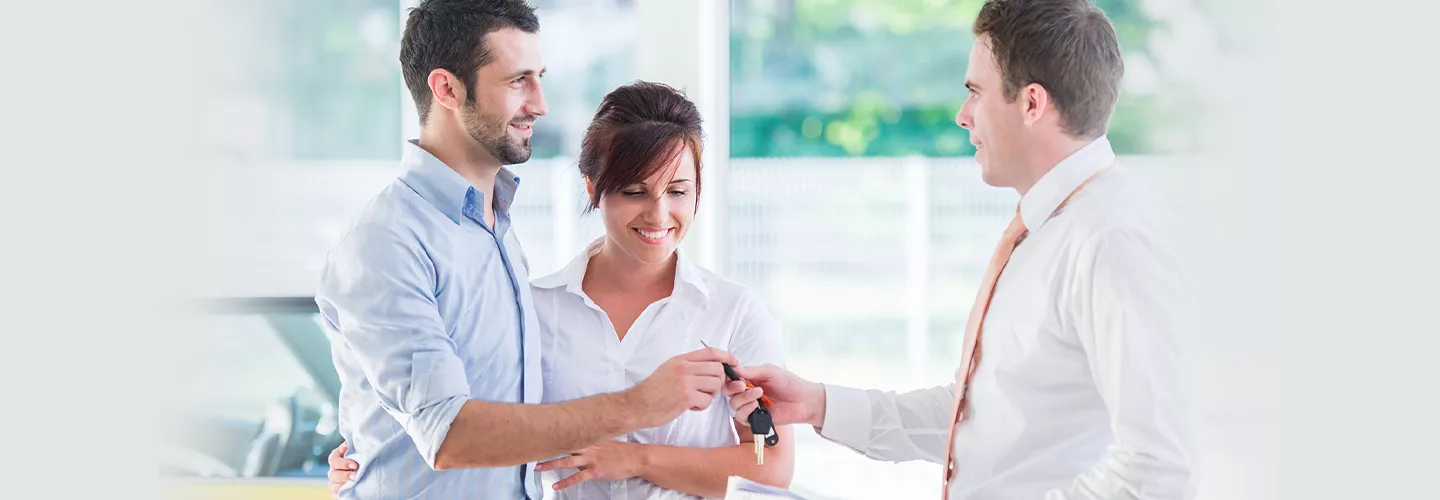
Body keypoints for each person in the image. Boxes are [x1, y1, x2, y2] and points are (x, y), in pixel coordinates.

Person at [725, 0, 1196, 499]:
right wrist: (816, 403)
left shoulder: (1111, 240)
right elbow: (977, 420)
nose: (962, 115)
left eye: (975, 93)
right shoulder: (1045, 228)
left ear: (1032, 103)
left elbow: (1156, 471)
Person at [314, 1, 739, 498]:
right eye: (518, 81)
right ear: (447, 88)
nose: (540, 104)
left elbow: (767, 461)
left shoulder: (496, 230)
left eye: (539, 78)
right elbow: (450, 435)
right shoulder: (387, 242)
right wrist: (641, 405)